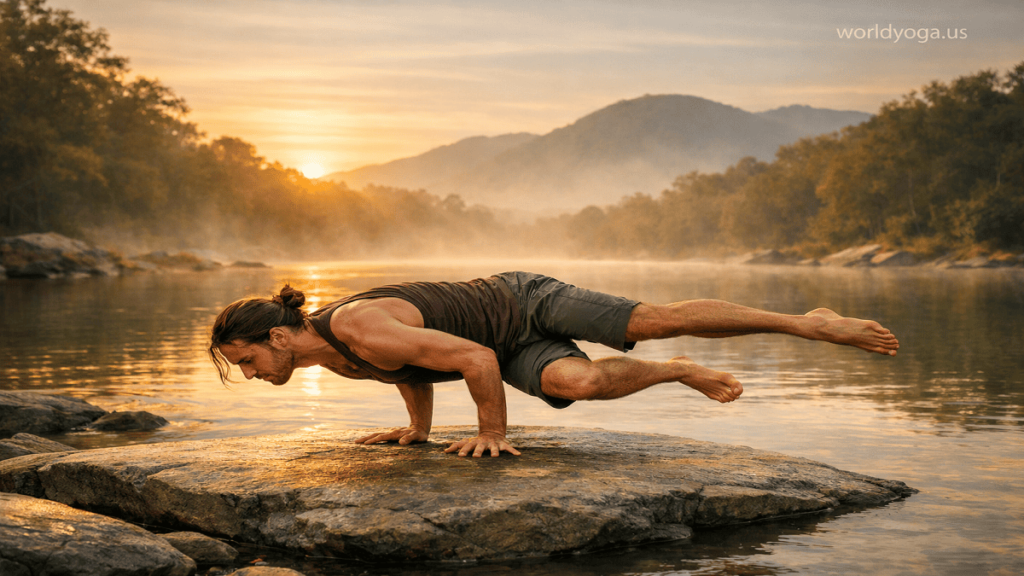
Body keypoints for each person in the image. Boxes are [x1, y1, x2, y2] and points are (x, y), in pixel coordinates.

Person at [209, 271, 899, 458]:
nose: (248, 375)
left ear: (276, 335)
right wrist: (415, 432)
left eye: (245, 360)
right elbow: (413, 369)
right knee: (584, 383)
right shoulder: (330, 355)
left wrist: (492, 431)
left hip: (524, 302)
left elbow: (474, 356)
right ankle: (678, 370)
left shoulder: (356, 326)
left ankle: (807, 323)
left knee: (653, 319)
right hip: (514, 349)